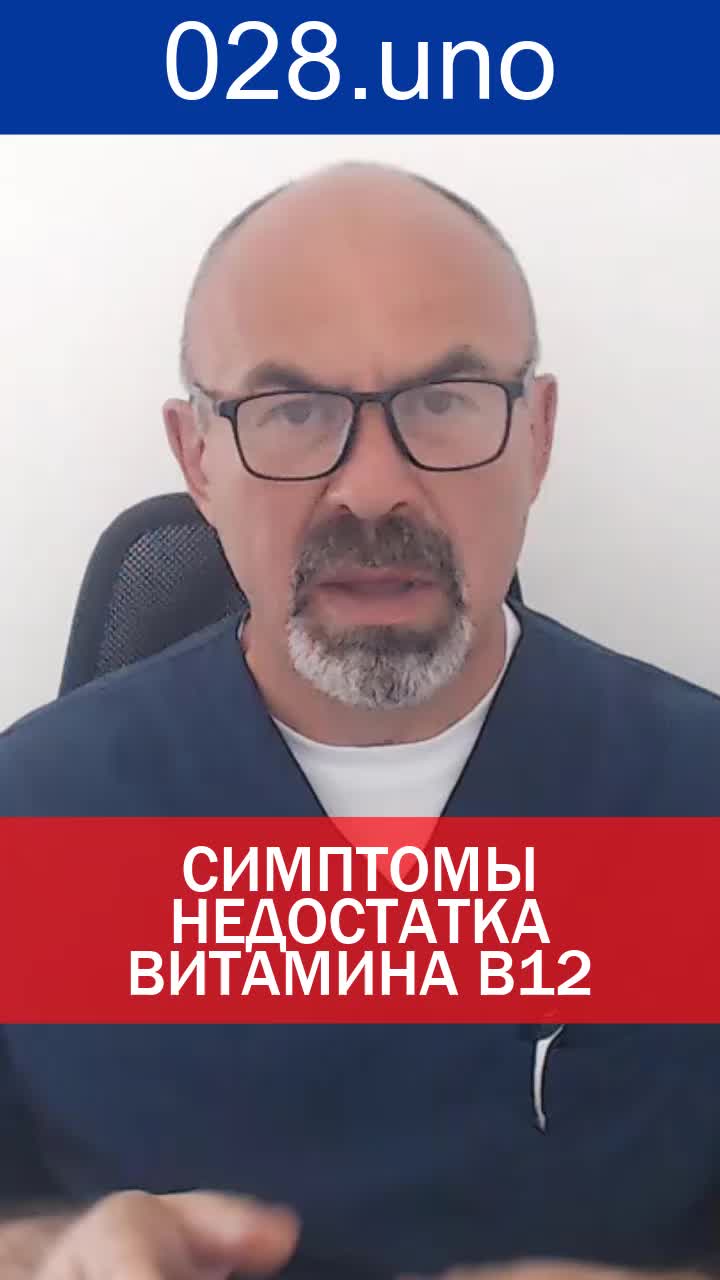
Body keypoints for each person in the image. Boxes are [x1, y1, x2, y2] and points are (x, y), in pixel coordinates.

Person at [0, 163, 719, 1280]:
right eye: (293, 412)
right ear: (197, 457)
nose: (373, 486)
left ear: (537, 435)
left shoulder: (694, 795)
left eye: (444, 400)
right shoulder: (31, 817)